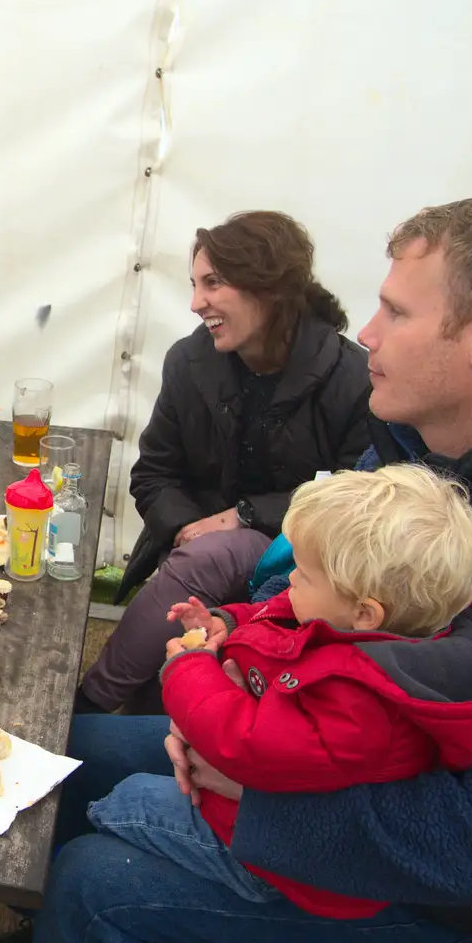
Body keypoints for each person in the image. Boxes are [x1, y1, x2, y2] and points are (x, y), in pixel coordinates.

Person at [0, 195, 472, 943]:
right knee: (62, 756)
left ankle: (82, 934)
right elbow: (307, 596)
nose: (366, 332)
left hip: (415, 902)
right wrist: (233, 633)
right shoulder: (412, 444)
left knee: (99, 885)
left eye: (396, 312)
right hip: (298, 742)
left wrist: (264, 803)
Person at [90, 464, 472, 921]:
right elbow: (272, 620)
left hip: (273, 856)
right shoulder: (345, 621)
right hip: (245, 794)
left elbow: (249, 745)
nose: (290, 580)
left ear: (366, 612)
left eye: (304, 575)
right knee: (94, 760)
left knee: (126, 803)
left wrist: (188, 670)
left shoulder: (364, 704)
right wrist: (226, 623)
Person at [79, 211, 372, 715]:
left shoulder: (353, 380)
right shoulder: (189, 363)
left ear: (270, 286)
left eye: (213, 283)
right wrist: (189, 530)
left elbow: (355, 501)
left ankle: (84, 707)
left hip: (300, 557)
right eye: (194, 285)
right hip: (191, 557)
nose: (196, 304)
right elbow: (153, 474)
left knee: (210, 561)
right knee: (161, 694)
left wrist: (243, 518)